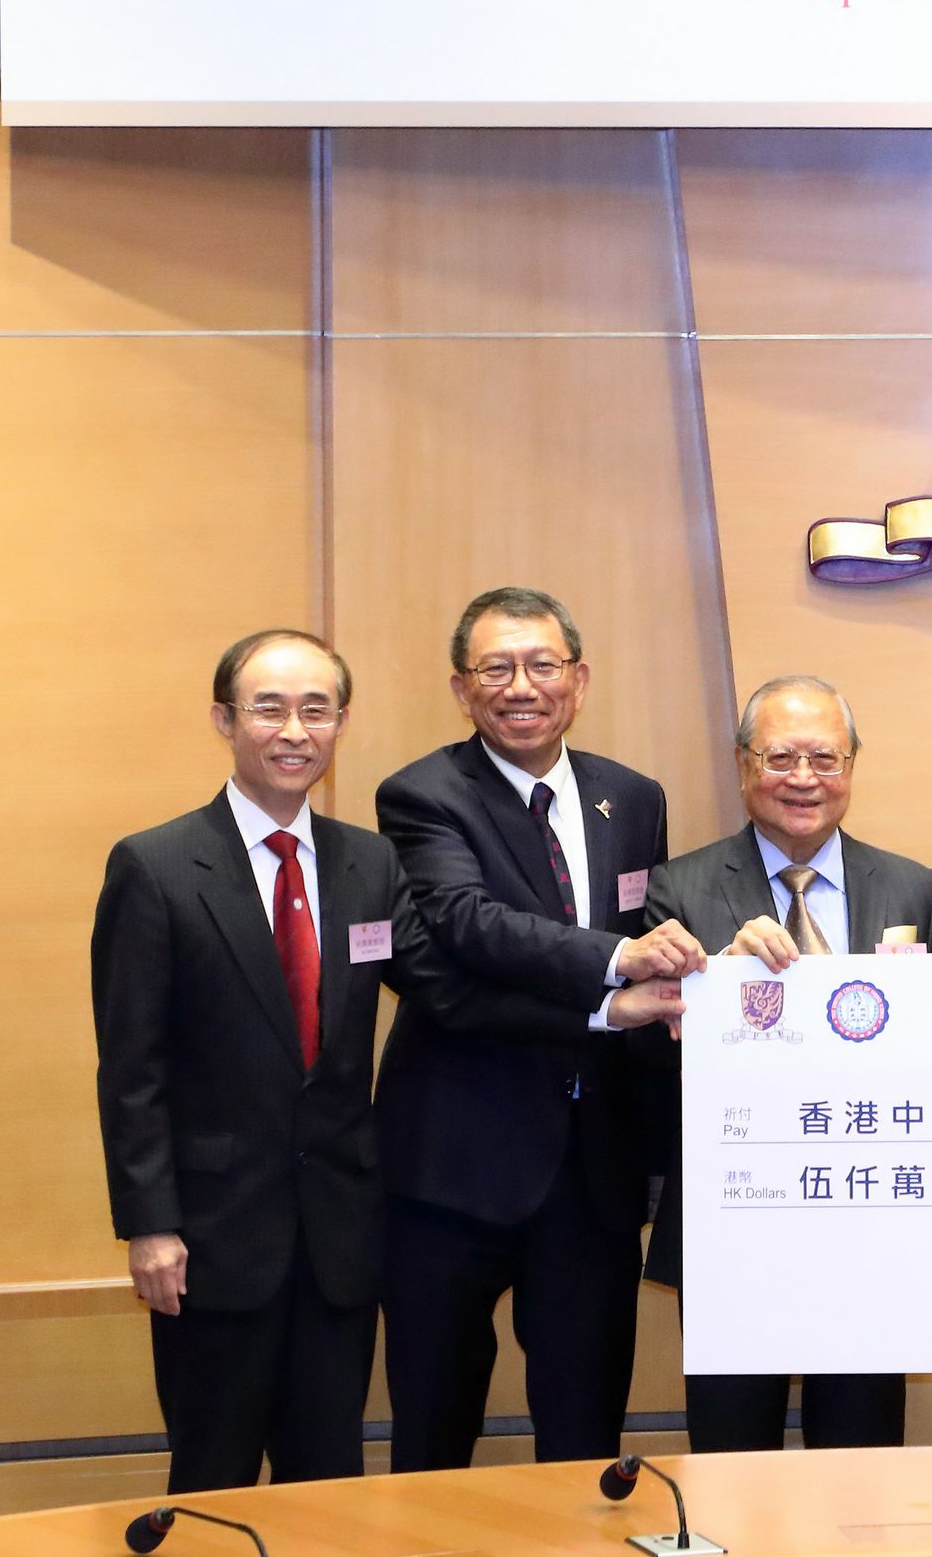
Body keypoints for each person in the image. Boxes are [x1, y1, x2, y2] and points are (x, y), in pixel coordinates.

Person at [91, 629, 680, 1491]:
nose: (295, 731)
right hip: (214, 1233)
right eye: (269, 709)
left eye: (316, 710)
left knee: (328, 1477)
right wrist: (149, 1224)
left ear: (340, 725)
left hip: (340, 1227)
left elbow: (449, 992)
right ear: (225, 720)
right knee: (211, 1472)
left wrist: (605, 1011)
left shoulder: (365, 864)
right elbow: (131, 1066)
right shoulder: (156, 865)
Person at [372, 586, 709, 1470]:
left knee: (586, 1435)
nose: (521, 686)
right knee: (435, 1434)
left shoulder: (632, 798)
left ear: (579, 678)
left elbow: (654, 928)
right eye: (496, 668)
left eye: (542, 665)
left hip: (592, 1169)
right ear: (461, 687)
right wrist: (615, 970)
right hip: (454, 1168)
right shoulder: (421, 794)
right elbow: (467, 922)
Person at [644, 673, 932, 1453]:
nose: (805, 779)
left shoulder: (913, 886)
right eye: (781, 756)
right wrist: (722, 975)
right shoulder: (678, 887)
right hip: (734, 1220)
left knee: (861, 1461)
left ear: (853, 765)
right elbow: (651, 1050)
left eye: (827, 757)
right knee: (731, 1461)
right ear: (744, 764)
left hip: (872, 1221)